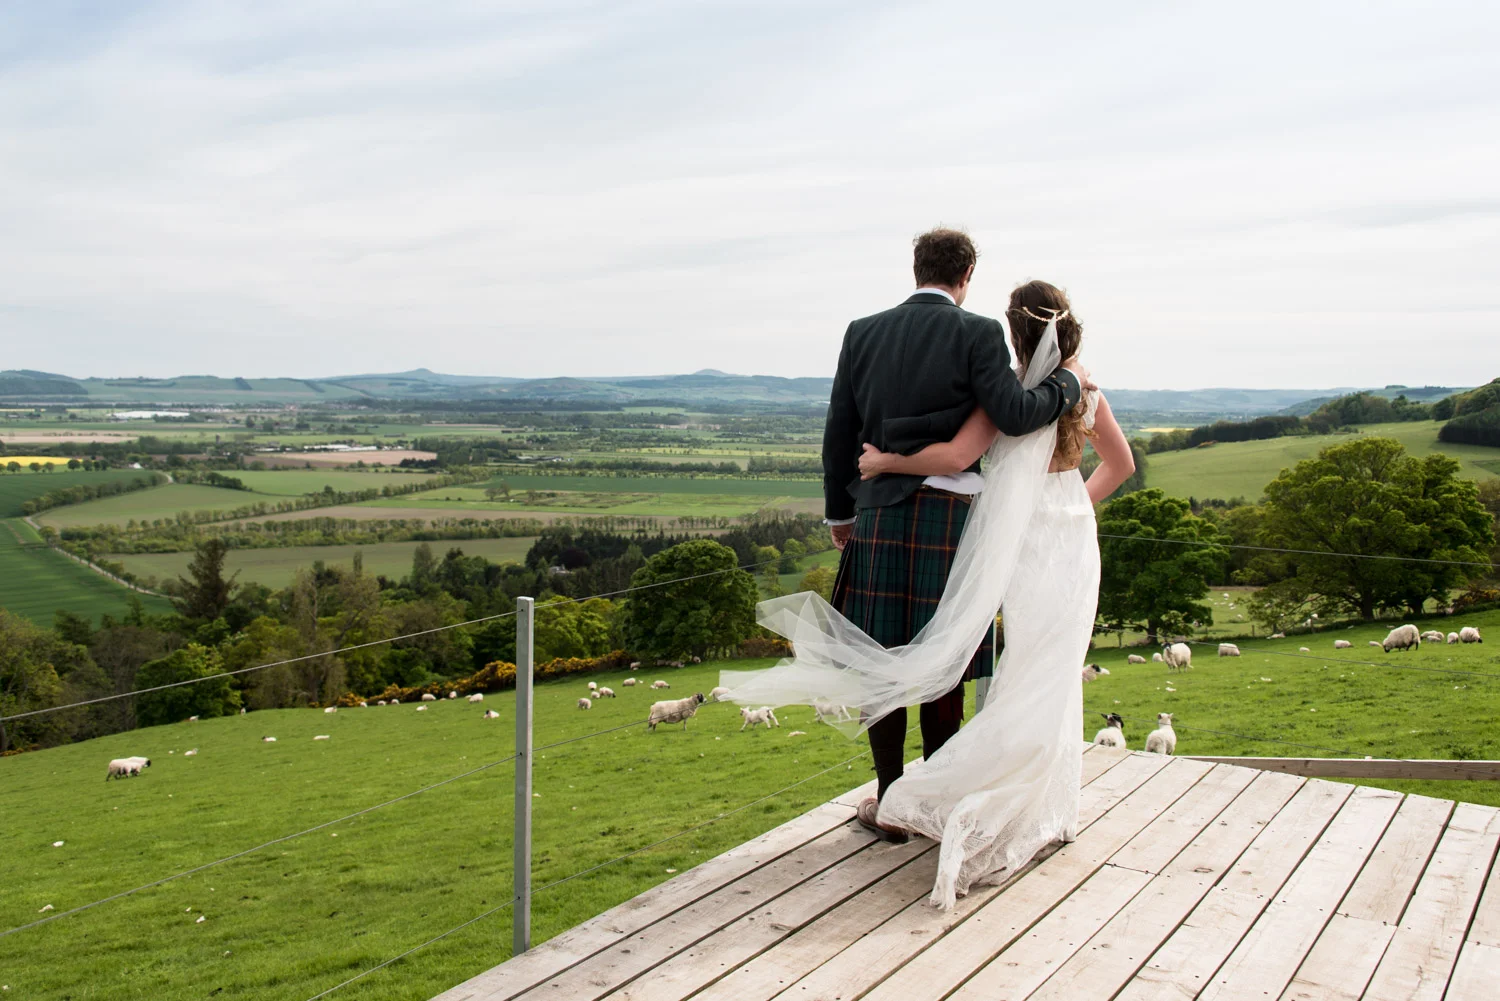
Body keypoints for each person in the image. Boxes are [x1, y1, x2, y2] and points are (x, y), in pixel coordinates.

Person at [857, 279, 1134, 907]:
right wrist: (1073, 509)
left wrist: (882, 465)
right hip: (1073, 542)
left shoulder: (1006, 395)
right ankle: (1051, 805)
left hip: (1021, 544)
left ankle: (975, 790)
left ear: (1013, 332)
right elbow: (1120, 467)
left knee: (1020, 668)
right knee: (1055, 672)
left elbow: (956, 453)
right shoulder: (1086, 393)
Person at [816, 229, 1089, 839]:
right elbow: (1015, 414)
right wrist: (1067, 384)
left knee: (880, 665)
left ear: (917, 268)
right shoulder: (977, 333)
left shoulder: (862, 331)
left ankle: (889, 801)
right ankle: (932, 801)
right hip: (949, 521)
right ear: (966, 273)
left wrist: (841, 515)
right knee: (947, 662)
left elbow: (840, 430)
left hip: (880, 516)